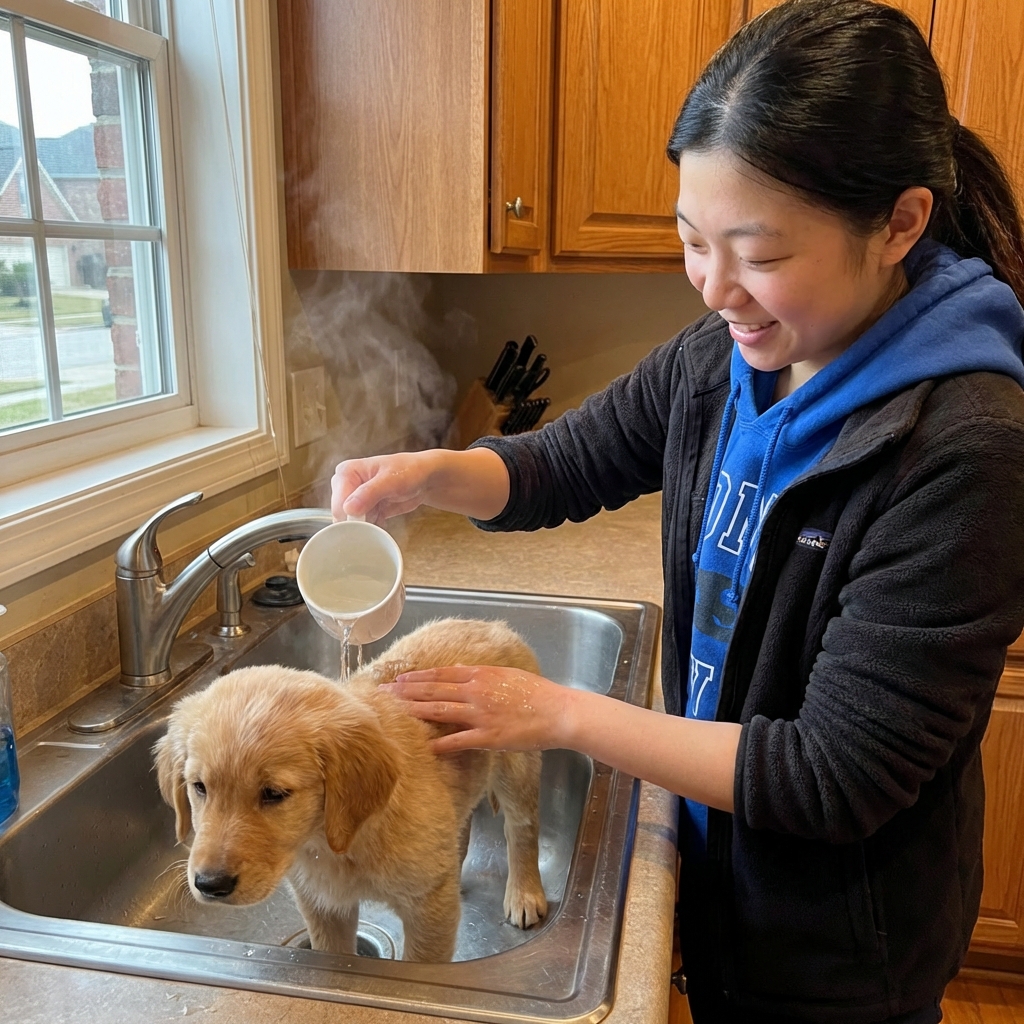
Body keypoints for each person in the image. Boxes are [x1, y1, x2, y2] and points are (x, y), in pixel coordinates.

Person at [330, 2, 1024, 1020]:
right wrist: (434, 473)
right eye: (693, 241)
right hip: (720, 867)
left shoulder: (969, 446)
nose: (715, 288)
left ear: (900, 224)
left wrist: (559, 713)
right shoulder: (724, 358)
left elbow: (832, 774)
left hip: (839, 940)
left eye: (760, 253)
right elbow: (565, 463)